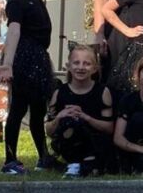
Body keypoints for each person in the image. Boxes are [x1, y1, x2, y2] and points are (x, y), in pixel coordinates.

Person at [0, 0, 92, 175]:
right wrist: (7, 64)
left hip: (39, 56)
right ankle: (10, 160)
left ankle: (43, 157)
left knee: (39, 110)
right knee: (18, 110)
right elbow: (14, 32)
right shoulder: (16, 3)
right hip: (23, 59)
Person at [45, 44, 114, 178]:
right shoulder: (60, 93)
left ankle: (88, 164)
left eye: (86, 64)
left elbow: (109, 128)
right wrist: (59, 117)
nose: (81, 67)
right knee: (69, 121)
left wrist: (86, 117)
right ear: (68, 66)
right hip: (68, 142)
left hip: (94, 143)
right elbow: (49, 131)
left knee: (80, 124)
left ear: (95, 68)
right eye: (76, 63)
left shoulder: (103, 92)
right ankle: (75, 163)